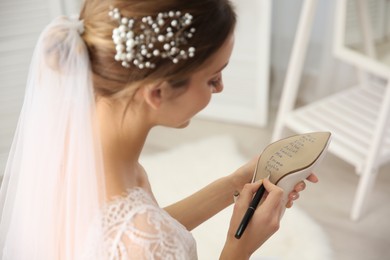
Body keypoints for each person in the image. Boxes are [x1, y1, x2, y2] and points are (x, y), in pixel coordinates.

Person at [0, 0, 318, 259]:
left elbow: (145, 229)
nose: (220, 87)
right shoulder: (145, 240)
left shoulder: (71, 142)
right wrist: (240, 245)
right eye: (212, 78)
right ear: (158, 92)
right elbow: (146, 239)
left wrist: (235, 182)